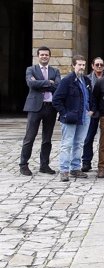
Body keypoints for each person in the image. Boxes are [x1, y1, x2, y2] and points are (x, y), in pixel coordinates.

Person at [19, 46, 61, 176]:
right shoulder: (31, 69)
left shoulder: (55, 70)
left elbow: (58, 86)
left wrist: (40, 83)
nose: (44, 57)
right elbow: (31, 84)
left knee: (47, 139)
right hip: (35, 107)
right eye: (42, 55)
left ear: (49, 56)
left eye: (46, 55)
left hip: (50, 107)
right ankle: (24, 164)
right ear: (38, 56)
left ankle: (44, 165)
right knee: (29, 137)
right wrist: (48, 82)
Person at [52, 55, 95, 182]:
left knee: (79, 143)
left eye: (83, 65)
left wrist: (91, 109)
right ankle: (64, 170)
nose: (82, 67)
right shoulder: (67, 81)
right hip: (70, 118)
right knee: (67, 144)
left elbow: (90, 97)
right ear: (73, 65)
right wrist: (64, 113)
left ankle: (75, 168)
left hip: (84, 117)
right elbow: (56, 100)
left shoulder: (86, 80)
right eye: (79, 65)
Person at [81, 57, 104, 173]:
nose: (99, 67)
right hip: (92, 111)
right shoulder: (86, 79)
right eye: (97, 65)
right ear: (92, 66)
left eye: (101, 65)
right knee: (88, 138)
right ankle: (86, 162)